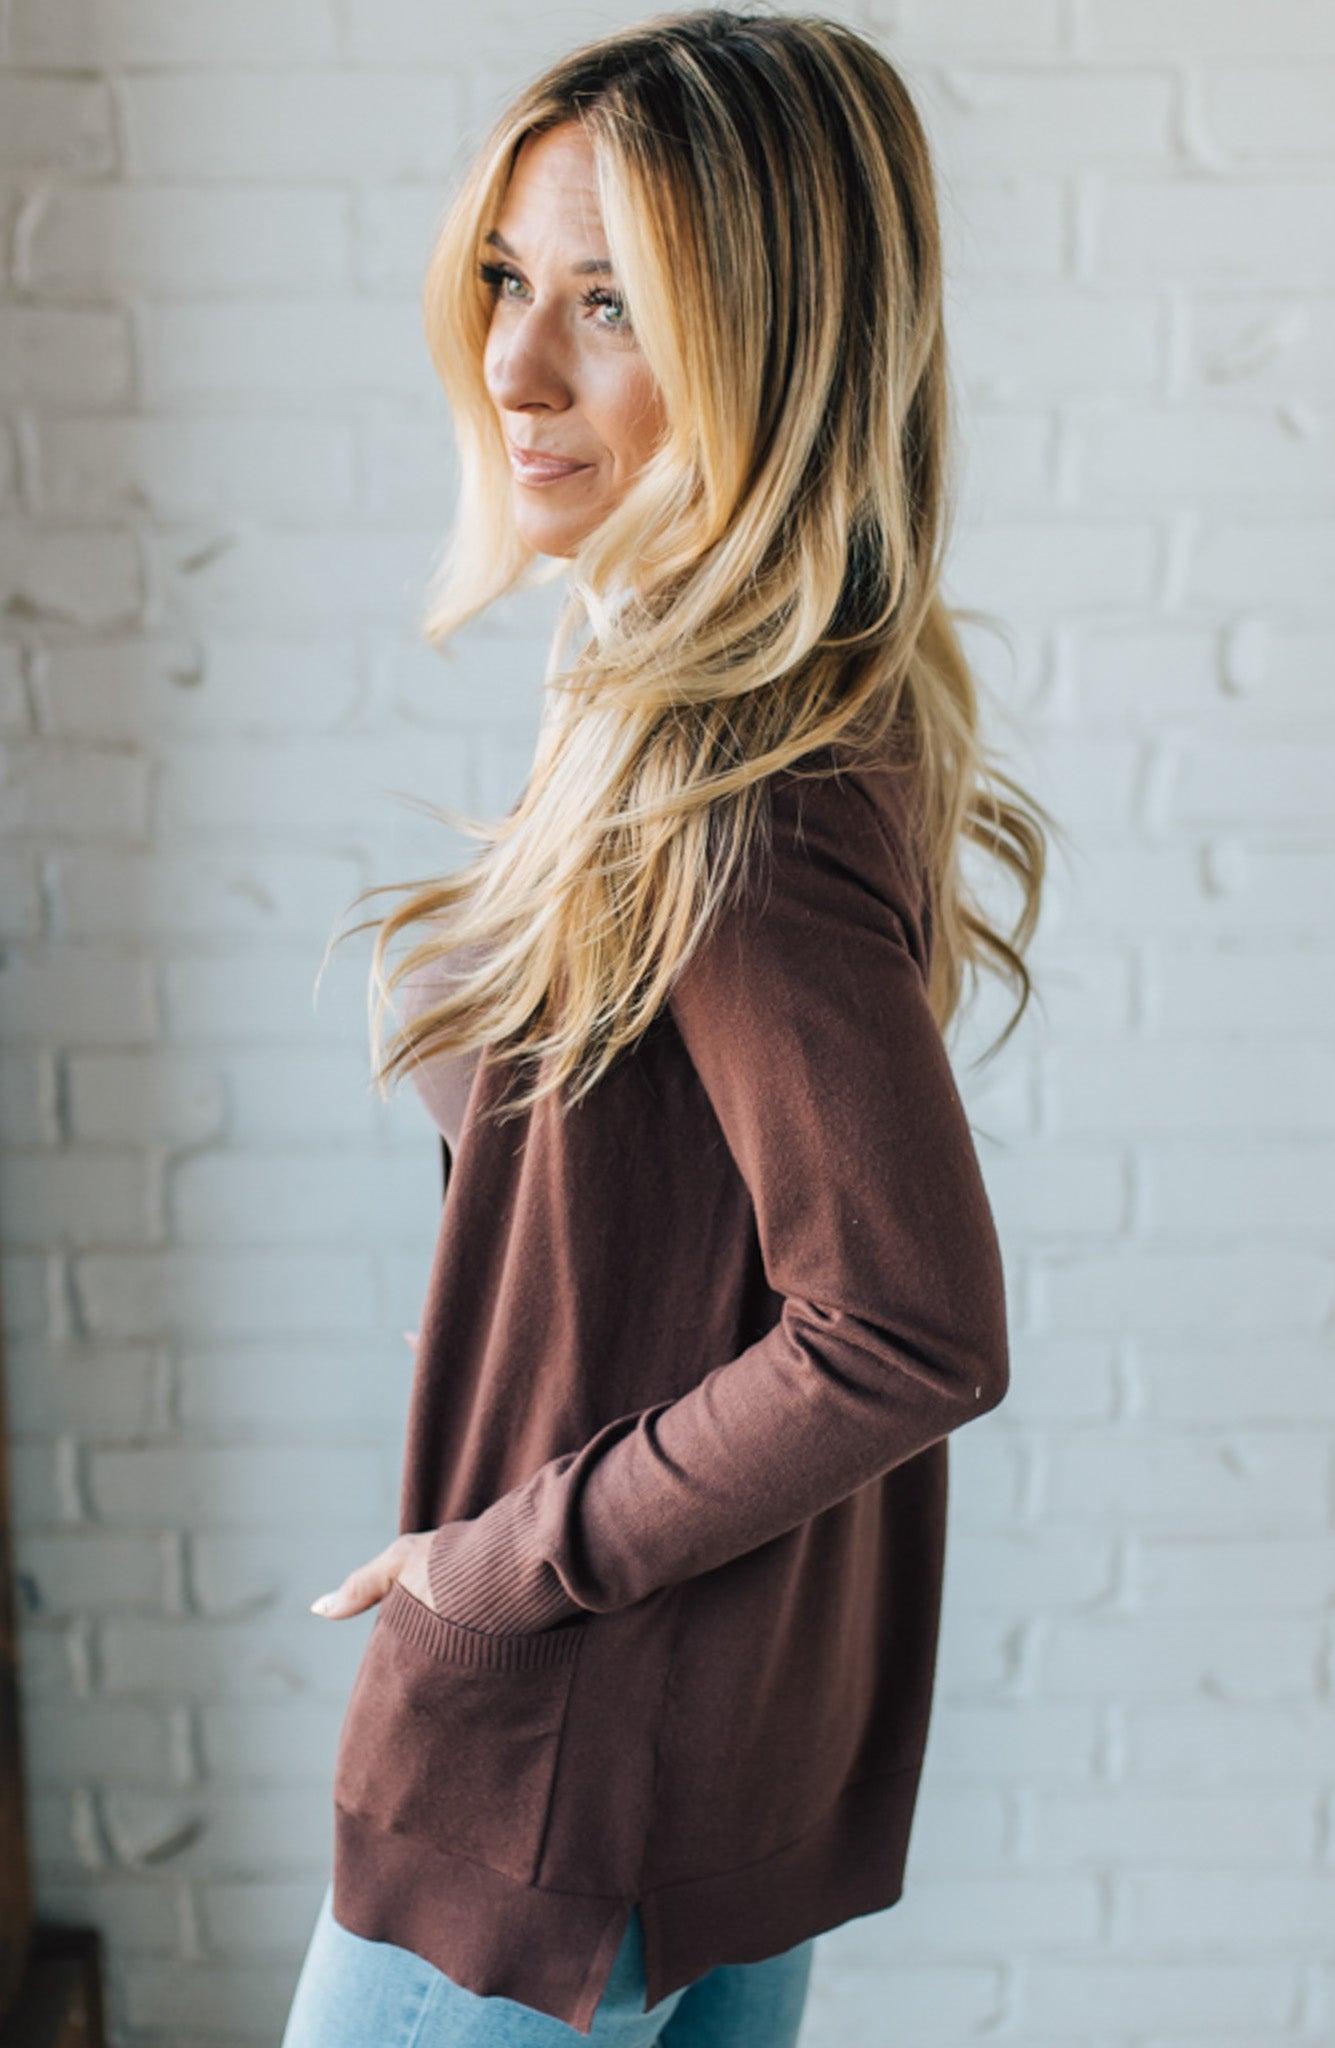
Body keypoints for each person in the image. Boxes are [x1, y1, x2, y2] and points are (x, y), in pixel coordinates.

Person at [282, 9, 1055, 2044]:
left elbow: (902, 1323)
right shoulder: (762, 703)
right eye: (506, 282)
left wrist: (503, 1565)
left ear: (775, 349)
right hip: (694, 1767)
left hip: (552, 1775)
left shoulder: (727, 773)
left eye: (610, 306)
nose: (514, 369)